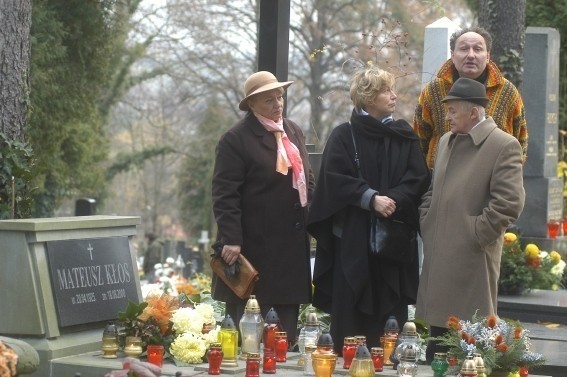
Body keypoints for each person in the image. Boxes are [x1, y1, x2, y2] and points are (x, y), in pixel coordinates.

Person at [307, 66, 431, 354]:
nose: (393, 95)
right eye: (386, 91)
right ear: (368, 97)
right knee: (350, 319)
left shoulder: (402, 134)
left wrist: (393, 200)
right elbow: (334, 180)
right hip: (353, 243)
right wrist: (370, 198)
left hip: (391, 243)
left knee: (389, 321)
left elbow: (417, 178)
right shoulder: (344, 136)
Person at [415, 77, 525, 361]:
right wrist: (428, 220)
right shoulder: (446, 141)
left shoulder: (503, 144)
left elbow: (509, 203)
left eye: (453, 110)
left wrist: (474, 233)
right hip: (439, 257)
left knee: (470, 352)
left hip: (472, 261)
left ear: (474, 112)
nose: (447, 116)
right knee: (436, 352)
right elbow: (433, 188)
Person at [211, 71, 315, 344]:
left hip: (290, 248)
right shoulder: (236, 139)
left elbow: (307, 179)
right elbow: (224, 194)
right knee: (252, 330)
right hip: (255, 248)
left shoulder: (292, 131)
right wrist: (230, 238)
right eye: (269, 100)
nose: (277, 104)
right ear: (252, 104)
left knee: (283, 332)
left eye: (279, 96)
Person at [413, 26, 527, 169]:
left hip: (490, 181)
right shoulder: (433, 91)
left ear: (488, 56)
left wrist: (508, 173)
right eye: (464, 49)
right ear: (453, 55)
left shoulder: (507, 92)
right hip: (439, 180)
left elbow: (520, 140)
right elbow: (419, 140)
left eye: (478, 49)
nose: (471, 55)